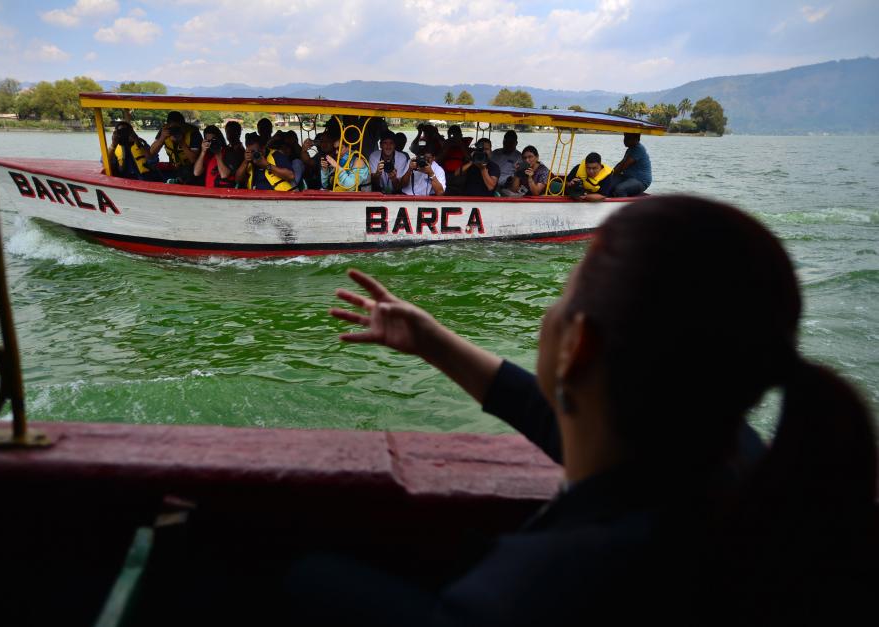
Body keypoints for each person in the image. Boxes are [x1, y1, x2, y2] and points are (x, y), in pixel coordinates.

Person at [309, 194, 877, 626]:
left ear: (577, 344)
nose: (551, 311)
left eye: (564, 296)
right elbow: (553, 417)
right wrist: (433, 342)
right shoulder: (728, 463)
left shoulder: (525, 593)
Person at [149, 111, 201, 184]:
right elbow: (151, 153)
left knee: (188, 170)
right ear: (168, 125)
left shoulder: (193, 133)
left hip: (191, 169)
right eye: (173, 127)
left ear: (183, 125)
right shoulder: (165, 130)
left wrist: (181, 142)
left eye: (178, 127)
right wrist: (162, 138)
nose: (175, 130)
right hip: (174, 167)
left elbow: (193, 160)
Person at [610, 132, 651, 197]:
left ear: (637, 139)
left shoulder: (639, 149)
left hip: (640, 180)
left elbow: (623, 166)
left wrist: (612, 174)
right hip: (627, 177)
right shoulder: (630, 149)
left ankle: (623, 205)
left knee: (620, 189)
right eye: (625, 137)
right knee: (608, 183)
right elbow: (621, 163)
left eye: (628, 138)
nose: (625, 140)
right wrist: (610, 174)